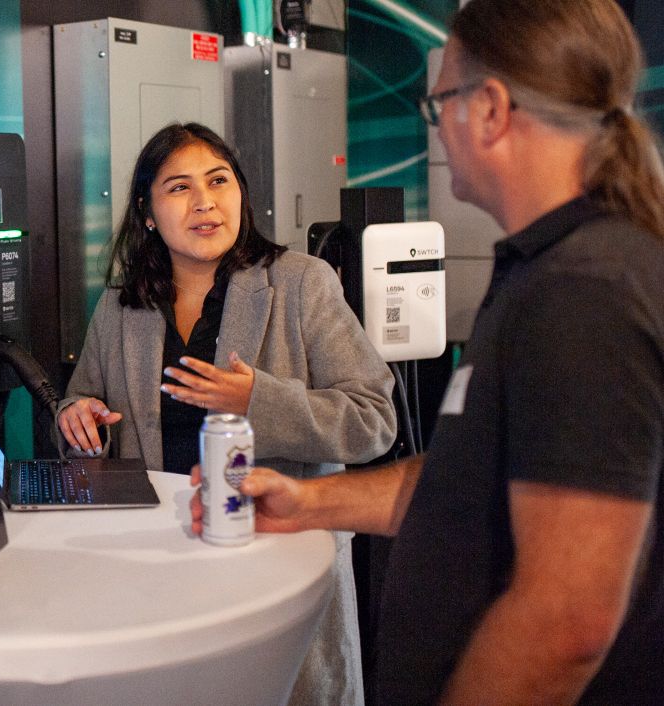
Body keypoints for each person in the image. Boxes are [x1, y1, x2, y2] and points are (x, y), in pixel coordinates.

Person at [192, 1, 664, 703]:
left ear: (491, 109)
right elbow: (471, 480)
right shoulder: (548, 272)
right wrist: (307, 502)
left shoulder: (584, 292)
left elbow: (566, 619)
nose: (435, 124)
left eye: (440, 103)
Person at [57, 122, 397, 704]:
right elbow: (81, 404)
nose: (204, 202)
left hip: (274, 567)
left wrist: (257, 401)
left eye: (218, 181)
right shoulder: (120, 307)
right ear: (146, 213)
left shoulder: (301, 284)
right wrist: (79, 418)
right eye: (179, 187)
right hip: (157, 572)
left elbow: (374, 420)